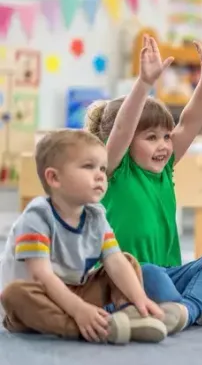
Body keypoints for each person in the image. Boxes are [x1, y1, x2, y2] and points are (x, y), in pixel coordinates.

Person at [86, 34, 202, 332]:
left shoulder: (166, 167)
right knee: (152, 275)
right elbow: (121, 129)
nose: (164, 145)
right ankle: (191, 307)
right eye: (151, 137)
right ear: (128, 142)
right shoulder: (113, 169)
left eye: (166, 137)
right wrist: (144, 82)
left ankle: (184, 311)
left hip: (168, 273)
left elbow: (189, 123)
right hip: (123, 276)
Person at [0, 130, 170, 344]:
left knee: (126, 260)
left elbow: (115, 261)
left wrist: (142, 300)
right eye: (88, 166)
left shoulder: (96, 214)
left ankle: (132, 316)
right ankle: (96, 328)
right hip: (38, 300)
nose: (100, 175)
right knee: (13, 294)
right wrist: (79, 310)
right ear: (54, 178)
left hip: (76, 292)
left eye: (102, 168)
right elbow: (41, 276)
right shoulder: (37, 215)